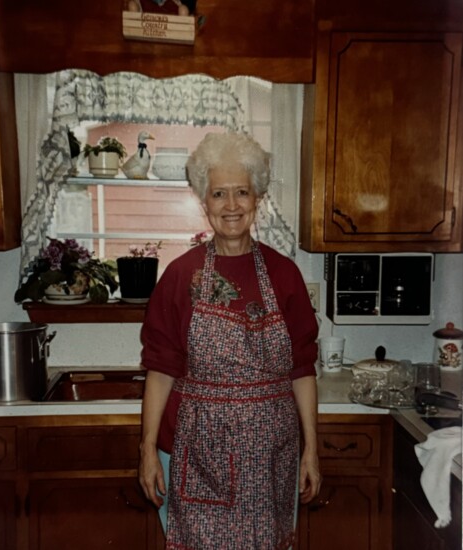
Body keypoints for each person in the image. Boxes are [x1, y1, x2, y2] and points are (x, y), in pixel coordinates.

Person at [139, 132, 321, 549]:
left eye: (242, 192)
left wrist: (311, 448)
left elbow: (302, 367)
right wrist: (147, 449)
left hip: (272, 454)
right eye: (219, 193)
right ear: (204, 202)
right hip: (197, 451)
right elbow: (162, 367)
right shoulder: (181, 277)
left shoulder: (285, 274)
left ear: (258, 198)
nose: (232, 205)